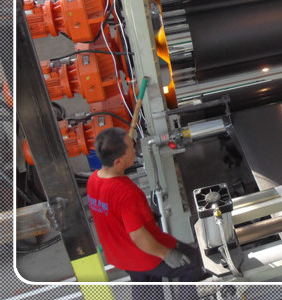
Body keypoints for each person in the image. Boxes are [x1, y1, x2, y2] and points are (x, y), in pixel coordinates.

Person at [87, 127, 205, 297]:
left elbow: (113, 213)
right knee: (194, 264)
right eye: (131, 149)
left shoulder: (94, 179)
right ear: (118, 162)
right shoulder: (125, 192)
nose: (135, 150)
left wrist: (144, 214)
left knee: (147, 287)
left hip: (120, 255)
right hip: (144, 254)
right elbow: (138, 236)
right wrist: (167, 254)